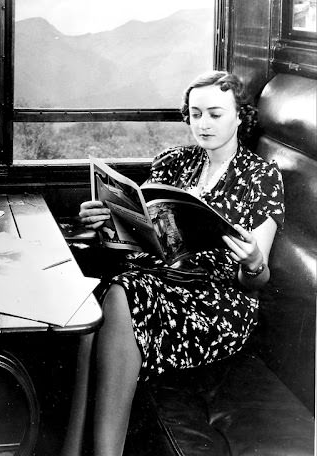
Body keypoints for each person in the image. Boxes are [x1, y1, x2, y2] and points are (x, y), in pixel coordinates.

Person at [63, 71, 284, 456]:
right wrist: (106, 219)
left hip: (217, 302)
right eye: (195, 114)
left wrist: (251, 261)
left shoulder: (260, 177)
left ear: (239, 117)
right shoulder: (174, 162)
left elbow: (256, 278)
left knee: (122, 291)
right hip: (158, 278)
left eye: (215, 114)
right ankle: (73, 448)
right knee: (94, 302)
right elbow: (141, 231)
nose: (203, 124)